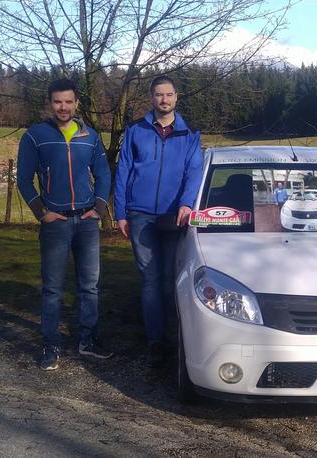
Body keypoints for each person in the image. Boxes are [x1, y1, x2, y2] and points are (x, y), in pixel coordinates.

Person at [17, 78, 113, 371]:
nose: (63, 107)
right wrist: (40, 212)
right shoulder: (35, 136)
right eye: (58, 101)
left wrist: (98, 208)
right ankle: (50, 345)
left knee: (90, 287)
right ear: (49, 103)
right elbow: (23, 179)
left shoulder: (90, 136)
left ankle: (88, 340)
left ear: (76, 104)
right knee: (52, 288)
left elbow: (104, 174)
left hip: (86, 221)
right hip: (55, 222)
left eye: (68, 101)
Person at [114, 75, 203, 368]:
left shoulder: (190, 134)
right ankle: (155, 341)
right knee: (150, 279)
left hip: (173, 216)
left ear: (176, 97)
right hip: (140, 215)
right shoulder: (135, 131)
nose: (163, 100)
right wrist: (120, 213)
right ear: (151, 98)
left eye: (168, 95)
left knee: (170, 280)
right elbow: (124, 170)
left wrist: (187, 203)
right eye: (158, 95)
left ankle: (174, 337)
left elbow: (194, 172)